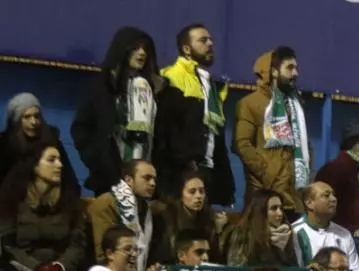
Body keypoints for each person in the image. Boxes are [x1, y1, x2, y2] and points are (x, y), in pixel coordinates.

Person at [71, 27, 188, 196]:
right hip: (111, 177)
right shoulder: (102, 87)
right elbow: (81, 129)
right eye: (135, 48)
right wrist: (99, 162)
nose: (142, 53)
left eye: (145, 49)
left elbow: (167, 135)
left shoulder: (159, 90)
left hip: (149, 179)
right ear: (122, 50)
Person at [0, 144, 87, 271]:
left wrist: (61, 266)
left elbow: (77, 243)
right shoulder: (14, 200)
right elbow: (8, 245)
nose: (59, 165)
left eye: (60, 160)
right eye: (51, 160)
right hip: (22, 270)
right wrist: (37, 267)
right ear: (35, 166)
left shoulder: (69, 201)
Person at [161, 23, 235, 206]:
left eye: (210, 40)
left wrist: (226, 183)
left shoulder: (211, 85)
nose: (210, 43)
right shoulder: (172, 77)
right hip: (181, 175)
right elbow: (168, 131)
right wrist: (187, 163)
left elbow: (216, 138)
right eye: (203, 40)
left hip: (207, 171)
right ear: (186, 49)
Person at [233, 47, 309, 212]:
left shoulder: (295, 106)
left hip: (295, 198)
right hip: (264, 196)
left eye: (296, 68)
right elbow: (241, 144)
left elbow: (304, 145)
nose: (296, 73)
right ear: (273, 72)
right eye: (290, 68)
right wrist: (267, 172)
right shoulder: (250, 104)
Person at [87, 159, 157, 271]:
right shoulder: (106, 203)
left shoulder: (147, 209)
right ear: (128, 180)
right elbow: (104, 255)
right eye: (147, 178)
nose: (153, 183)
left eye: (154, 179)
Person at [0, 93, 79, 193]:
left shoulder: (52, 141)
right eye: (27, 117)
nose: (33, 122)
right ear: (16, 121)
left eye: (36, 116)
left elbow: (70, 181)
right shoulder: (5, 146)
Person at [290, 182, 359, 271]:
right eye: (326, 195)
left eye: (333, 195)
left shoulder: (344, 234)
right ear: (309, 203)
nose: (333, 199)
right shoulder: (294, 233)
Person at [151, 168, 225, 265]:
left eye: (201, 191)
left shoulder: (210, 218)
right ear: (181, 194)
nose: (198, 196)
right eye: (192, 192)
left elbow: (216, 258)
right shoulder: (166, 217)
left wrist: (219, 232)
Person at [221, 189, 296, 267]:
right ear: (261, 211)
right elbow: (237, 269)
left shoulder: (288, 234)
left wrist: (283, 250)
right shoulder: (244, 236)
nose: (280, 213)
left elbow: (295, 268)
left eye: (281, 208)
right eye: (274, 208)